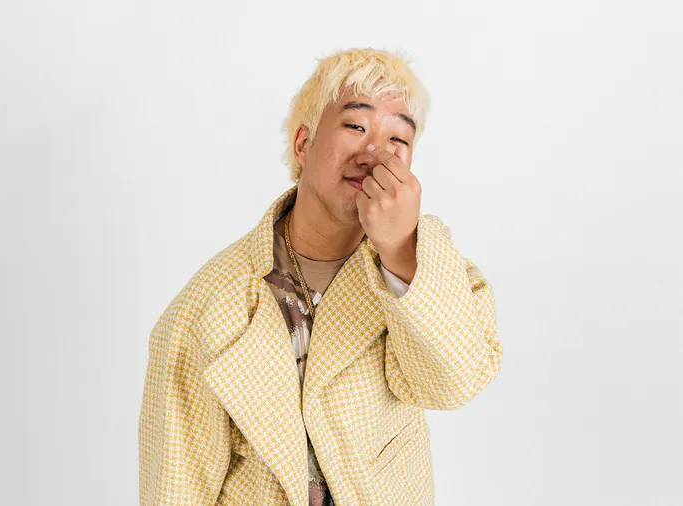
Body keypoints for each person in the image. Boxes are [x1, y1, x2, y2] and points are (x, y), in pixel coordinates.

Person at [138, 47, 503, 506]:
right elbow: (175, 488)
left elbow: (454, 383)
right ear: (303, 145)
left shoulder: (428, 262)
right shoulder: (209, 308)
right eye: (355, 126)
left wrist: (398, 249)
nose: (375, 154)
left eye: (398, 138)